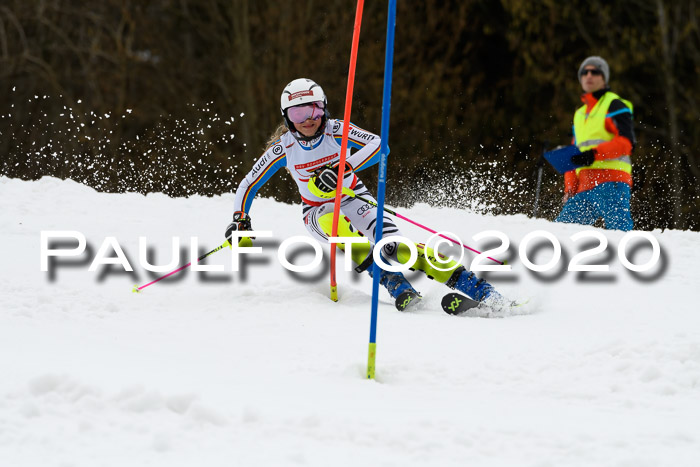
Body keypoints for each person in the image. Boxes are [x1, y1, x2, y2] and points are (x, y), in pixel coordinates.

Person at [225, 78, 512, 312]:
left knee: (394, 249)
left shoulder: (336, 130)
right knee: (333, 222)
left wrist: (342, 167)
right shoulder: (284, 148)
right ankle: (394, 282)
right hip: (316, 212)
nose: (308, 119)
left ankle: (478, 289)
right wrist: (241, 220)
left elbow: (379, 146)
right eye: (298, 113)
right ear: (287, 117)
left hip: (356, 198)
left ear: (323, 108)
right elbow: (249, 184)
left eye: (312, 110)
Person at [555, 56, 635, 231]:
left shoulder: (614, 105)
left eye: (595, 72)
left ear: (604, 77)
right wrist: (570, 188)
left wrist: (593, 154)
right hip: (584, 188)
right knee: (560, 232)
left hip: (612, 183)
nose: (589, 75)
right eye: (584, 72)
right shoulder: (580, 114)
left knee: (619, 235)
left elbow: (626, 143)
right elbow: (575, 154)